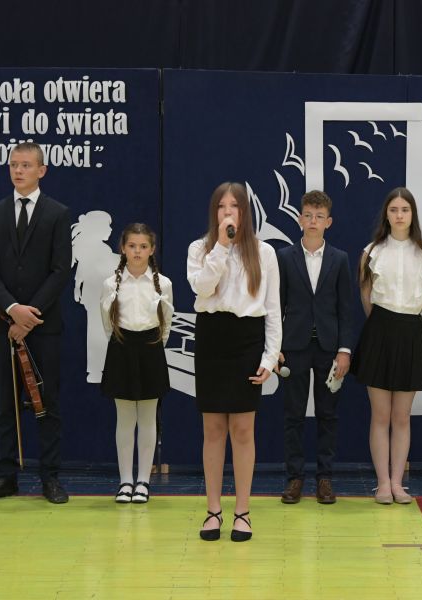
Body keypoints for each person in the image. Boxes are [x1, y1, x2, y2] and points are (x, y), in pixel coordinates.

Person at [0, 142, 72, 504]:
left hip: (44, 325)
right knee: (7, 402)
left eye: (26, 165)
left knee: (47, 401)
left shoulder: (58, 213)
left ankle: (50, 477)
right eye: (14, 164)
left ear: (42, 170)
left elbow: (60, 271)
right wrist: (12, 308)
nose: (18, 170)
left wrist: (29, 316)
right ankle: (6, 476)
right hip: (3, 324)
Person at [186, 182, 281, 541]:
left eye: (234, 206)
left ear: (245, 211)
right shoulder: (200, 248)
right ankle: (213, 510)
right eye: (221, 206)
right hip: (212, 336)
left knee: (243, 429)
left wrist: (269, 356)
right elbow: (202, 288)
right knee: (213, 429)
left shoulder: (264, 252)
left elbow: (273, 309)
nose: (228, 212)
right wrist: (222, 248)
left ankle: (243, 511)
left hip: (247, 339)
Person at [351, 187, 422, 505]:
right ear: (386, 215)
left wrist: (404, 318)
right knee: (381, 414)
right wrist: (383, 323)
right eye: (394, 210)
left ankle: (399, 483)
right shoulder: (372, 251)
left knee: (402, 416)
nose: (399, 215)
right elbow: (366, 296)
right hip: (379, 331)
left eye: (405, 210)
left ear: (413, 214)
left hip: (410, 332)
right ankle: (383, 483)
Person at [276, 190, 354, 505]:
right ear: (299, 218)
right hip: (293, 346)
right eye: (308, 215)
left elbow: (346, 309)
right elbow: (276, 305)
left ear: (328, 222)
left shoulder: (339, 258)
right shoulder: (284, 257)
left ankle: (325, 478)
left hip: (328, 347)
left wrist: (345, 349)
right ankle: (294, 478)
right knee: (293, 414)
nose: (313, 221)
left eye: (319, 216)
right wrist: (275, 346)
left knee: (327, 415)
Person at [100, 223, 173, 504]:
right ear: (123, 248)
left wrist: (153, 345)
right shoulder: (111, 284)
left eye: (143, 246)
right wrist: (123, 341)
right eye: (132, 246)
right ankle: (125, 481)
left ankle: (143, 481)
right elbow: (107, 323)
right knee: (125, 418)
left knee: (148, 417)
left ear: (152, 250)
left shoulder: (163, 283)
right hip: (121, 347)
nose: (137, 251)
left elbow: (166, 324)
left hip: (151, 348)